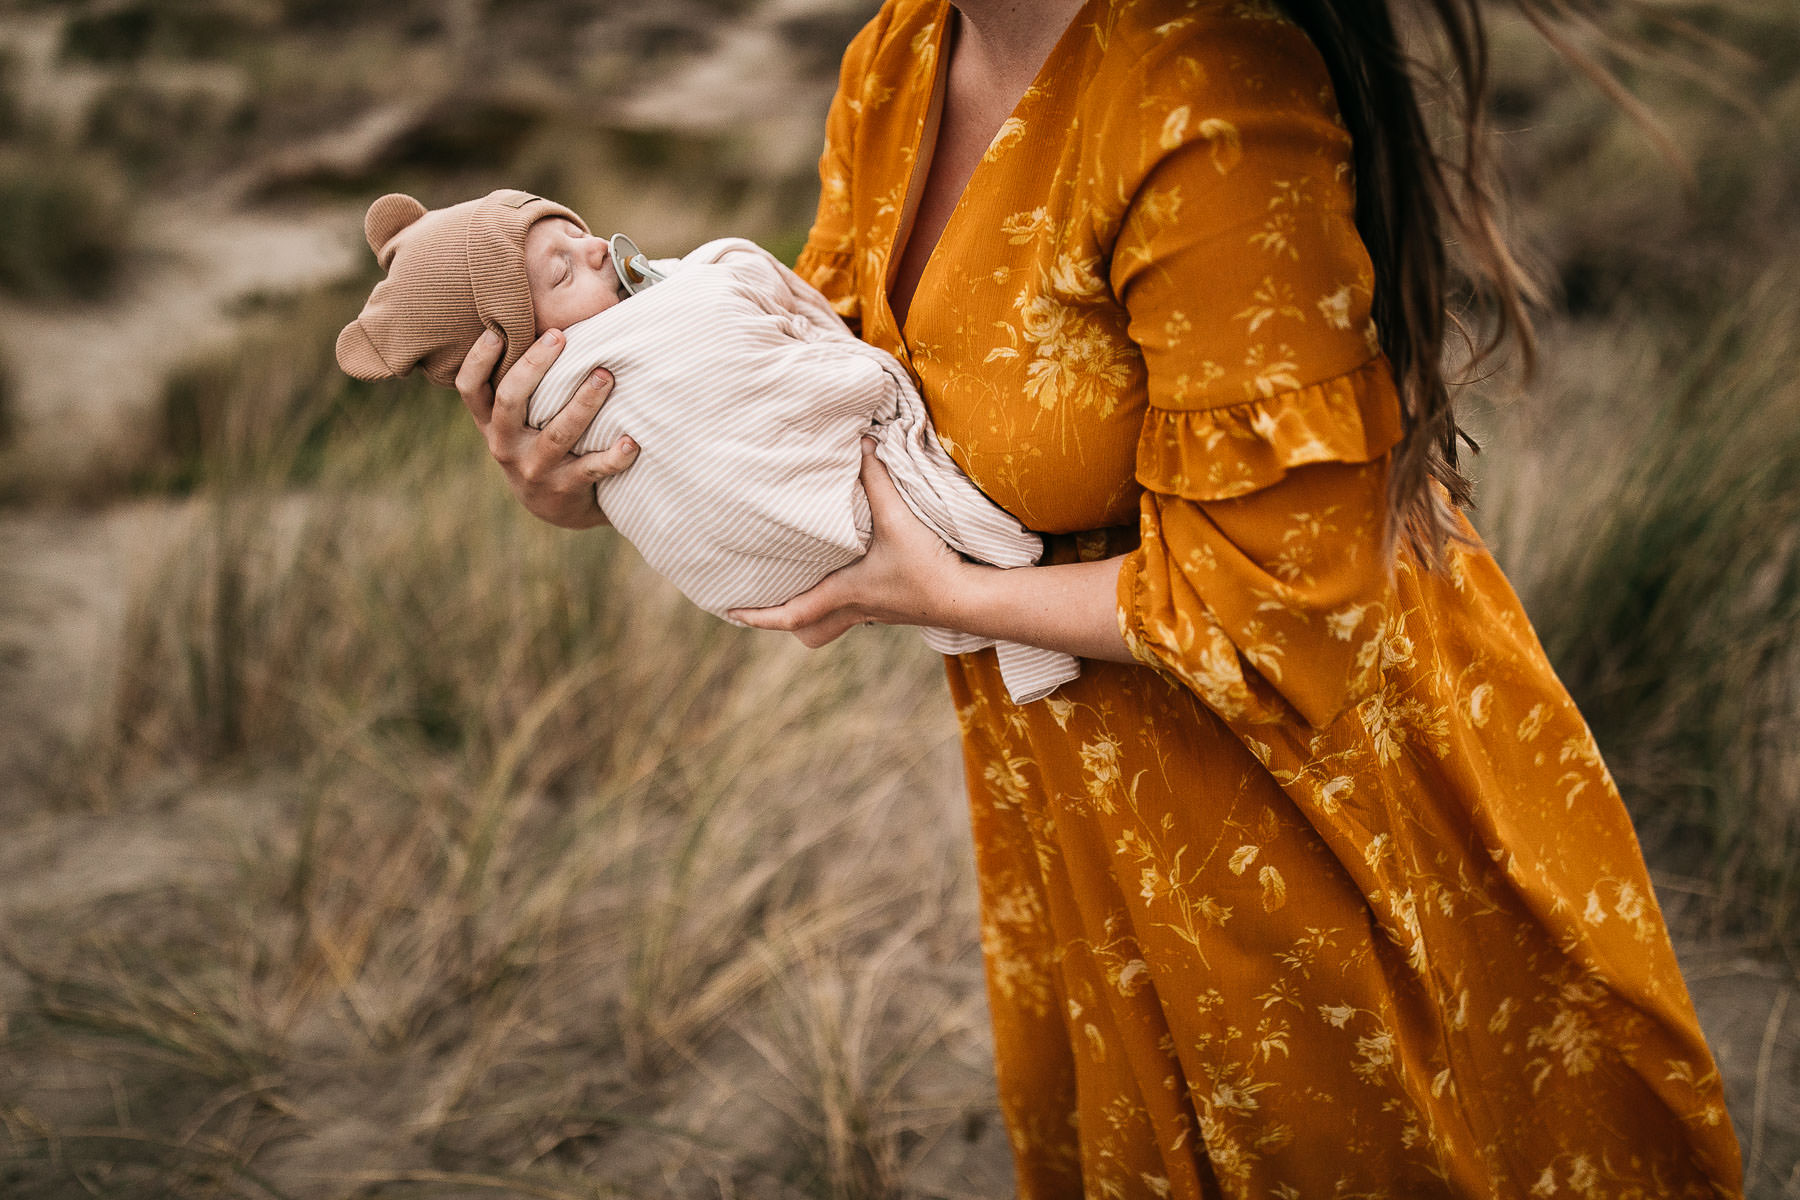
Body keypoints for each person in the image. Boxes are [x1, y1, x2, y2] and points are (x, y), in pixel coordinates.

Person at [455, 0, 1746, 1194]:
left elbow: (1281, 603)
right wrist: (599, 467)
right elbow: (817, 415)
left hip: (1315, 804)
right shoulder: (897, 60)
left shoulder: (1202, 91)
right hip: (1065, 802)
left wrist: (948, 591)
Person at [335, 188, 1078, 702]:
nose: (597, 249)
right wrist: (570, 498)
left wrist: (960, 598)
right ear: (521, 349)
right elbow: (701, 461)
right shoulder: (883, 77)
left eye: (577, 231)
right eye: (560, 269)